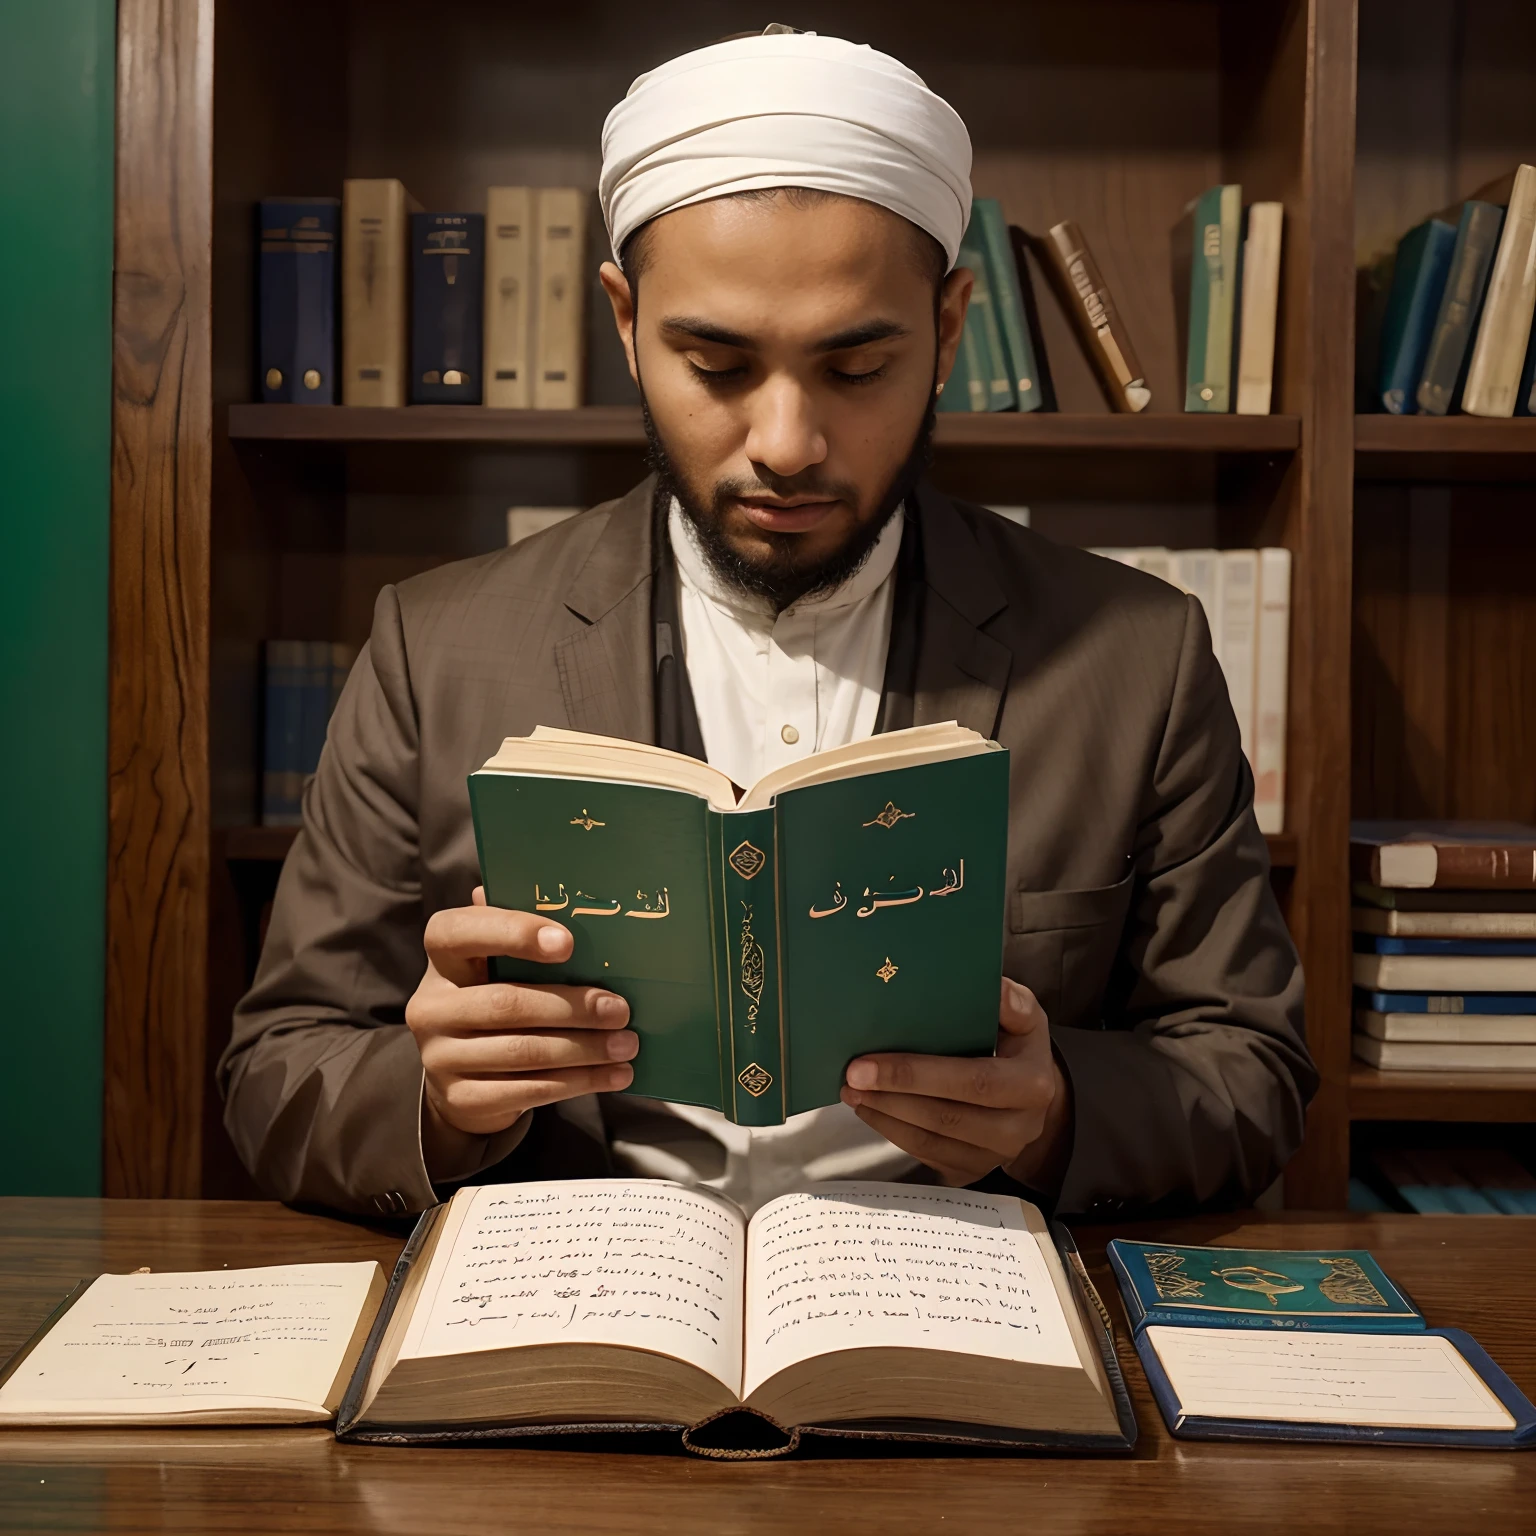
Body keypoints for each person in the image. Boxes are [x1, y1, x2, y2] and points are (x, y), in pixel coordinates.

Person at [222, 28, 1313, 1222]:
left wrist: (1055, 1115)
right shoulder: (436, 648)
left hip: (960, 1305)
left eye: (855, 369)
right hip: (584, 1309)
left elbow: (1252, 1077)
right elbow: (281, 1068)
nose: (787, 442)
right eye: (719, 365)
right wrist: (436, 1099)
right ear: (627, 323)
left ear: (950, 328)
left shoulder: (1138, 656)